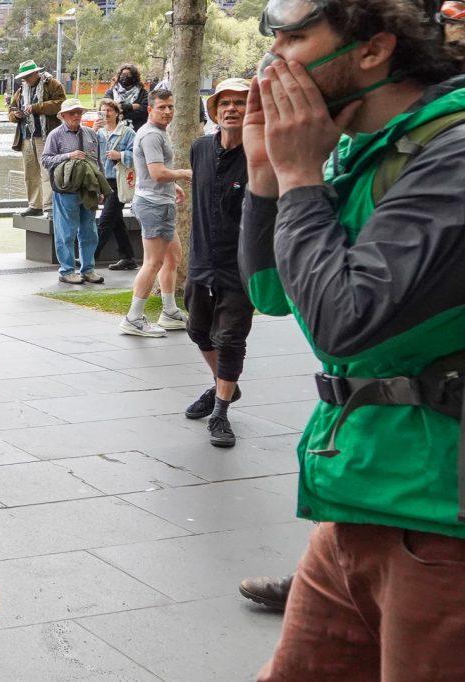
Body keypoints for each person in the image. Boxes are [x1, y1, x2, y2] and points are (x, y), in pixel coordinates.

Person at [238, 0, 465, 676]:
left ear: (372, 50)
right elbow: (274, 295)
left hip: (438, 514)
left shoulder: (450, 155)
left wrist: (302, 175)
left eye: (298, 37)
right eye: (272, 38)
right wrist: (265, 178)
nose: (274, 59)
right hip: (357, 496)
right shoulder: (366, 151)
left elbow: (347, 318)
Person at [181, 78, 253, 449]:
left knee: (230, 340)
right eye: (225, 102)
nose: (231, 108)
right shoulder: (199, 150)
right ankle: (225, 385)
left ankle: (221, 411)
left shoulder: (261, 154)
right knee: (198, 331)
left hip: (240, 265)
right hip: (201, 258)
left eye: (240, 103)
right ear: (215, 110)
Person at [118, 89, 192, 337]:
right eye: (162, 107)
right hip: (154, 206)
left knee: (173, 257)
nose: (168, 111)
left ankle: (169, 313)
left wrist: (174, 186)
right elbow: (157, 173)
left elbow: (155, 173)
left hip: (161, 201)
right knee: (153, 262)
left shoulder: (159, 133)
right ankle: (133, 318)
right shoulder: (151, 135)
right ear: (150, 109)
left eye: (171, 107)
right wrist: (183, 173)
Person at [41, 99, 106, 285]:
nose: (76, 115)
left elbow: (97, 162)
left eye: (78, 111)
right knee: (66, 232)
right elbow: (45, 160)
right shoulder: (55, 135)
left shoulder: (90, 134)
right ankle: (67, 270)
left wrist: (100, 187)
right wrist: (69, 156)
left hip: (89, 189)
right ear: (63, 116)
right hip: (66, 190)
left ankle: (88, 269)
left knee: (89, 231)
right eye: (72, 112)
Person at [8, 60, 66, 217]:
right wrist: (16, 115)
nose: (26, 79)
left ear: (36, 73)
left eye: (28, 76)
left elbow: (61, 104)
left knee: (47, 172)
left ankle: (49, 207)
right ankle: (35, 205)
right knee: (30, 173)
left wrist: (35, 108)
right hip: (26, 137)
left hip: (46, 136)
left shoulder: (52, 84)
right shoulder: (21, 90)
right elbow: (11, 112)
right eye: (24, 77)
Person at [94, 99, 138, 270]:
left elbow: (138, 155)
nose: (105, 113)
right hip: (103, 181)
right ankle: (128, 257)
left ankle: (90, 256)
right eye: (102, 110)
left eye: (109, 110)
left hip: (119, 181)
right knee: (116, 220)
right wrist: (92, 130)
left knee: (105, 220)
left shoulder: (127, 133)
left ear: (117, 113)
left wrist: (120, 155)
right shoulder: (97, 133)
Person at [104, 63, 149, 130]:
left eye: (129, 74)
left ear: (134, 77)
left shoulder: (143, 93)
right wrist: (131, 106)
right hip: (114, 130)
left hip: (136, 130)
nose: (125, 77)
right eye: (123, 74)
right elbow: (106, 109)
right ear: (119, 76)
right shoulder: (111, 92)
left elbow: (144, 112)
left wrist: (118, 111)